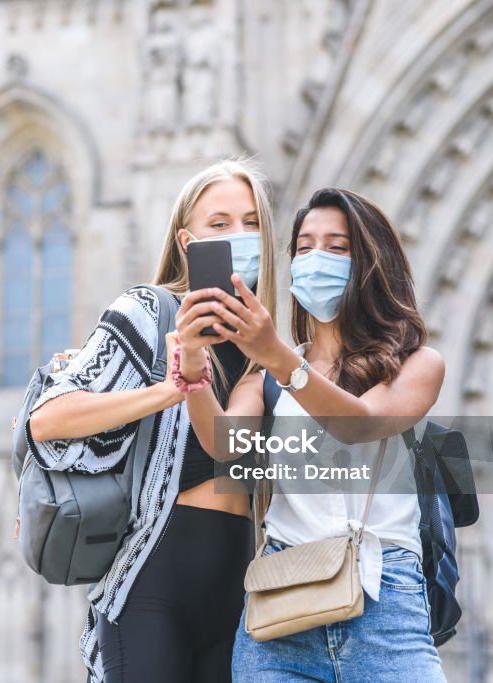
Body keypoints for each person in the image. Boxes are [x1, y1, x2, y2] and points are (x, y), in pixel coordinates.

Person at [176, 187, 448, 681]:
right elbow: (224, 444)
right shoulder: (261, 379)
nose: (315, 258)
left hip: (386, 600)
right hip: (282, 607)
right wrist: (193, 368)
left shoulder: (416, 364)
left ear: (370, 263)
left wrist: (280, 356)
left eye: (336, 247)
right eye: (304, 247)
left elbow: (358, 424)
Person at [26, 158, 277, 683]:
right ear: (188, 242)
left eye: (253, 223)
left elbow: (232, 450)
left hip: (240, 590)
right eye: (220, 224)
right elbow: (47, 420)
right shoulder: (148, 310)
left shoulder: (266, 347)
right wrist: (168, 390)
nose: (240, 236)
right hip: (153, 583)